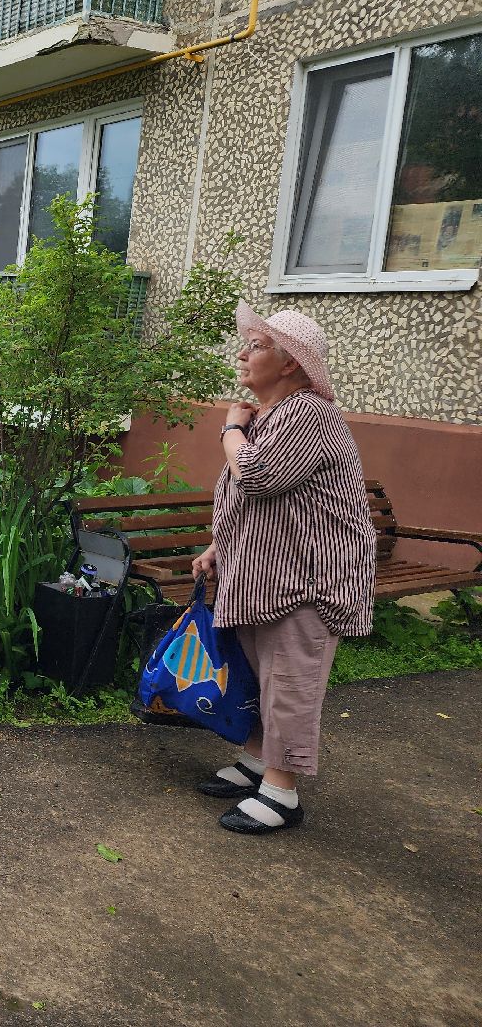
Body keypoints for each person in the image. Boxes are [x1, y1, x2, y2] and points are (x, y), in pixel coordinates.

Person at [191, 304, 376, 834]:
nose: (244, 354)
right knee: (261, 676)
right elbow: (251, 505)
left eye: (258, 346)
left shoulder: (307, 414)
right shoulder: (273, 417)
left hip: (308, 581)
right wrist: (218, 549)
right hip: (265, 576)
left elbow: (255, 478)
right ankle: (257, 761)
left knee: (291, 682)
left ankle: (282, 793)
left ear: (291, 364)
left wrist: (229, 426)